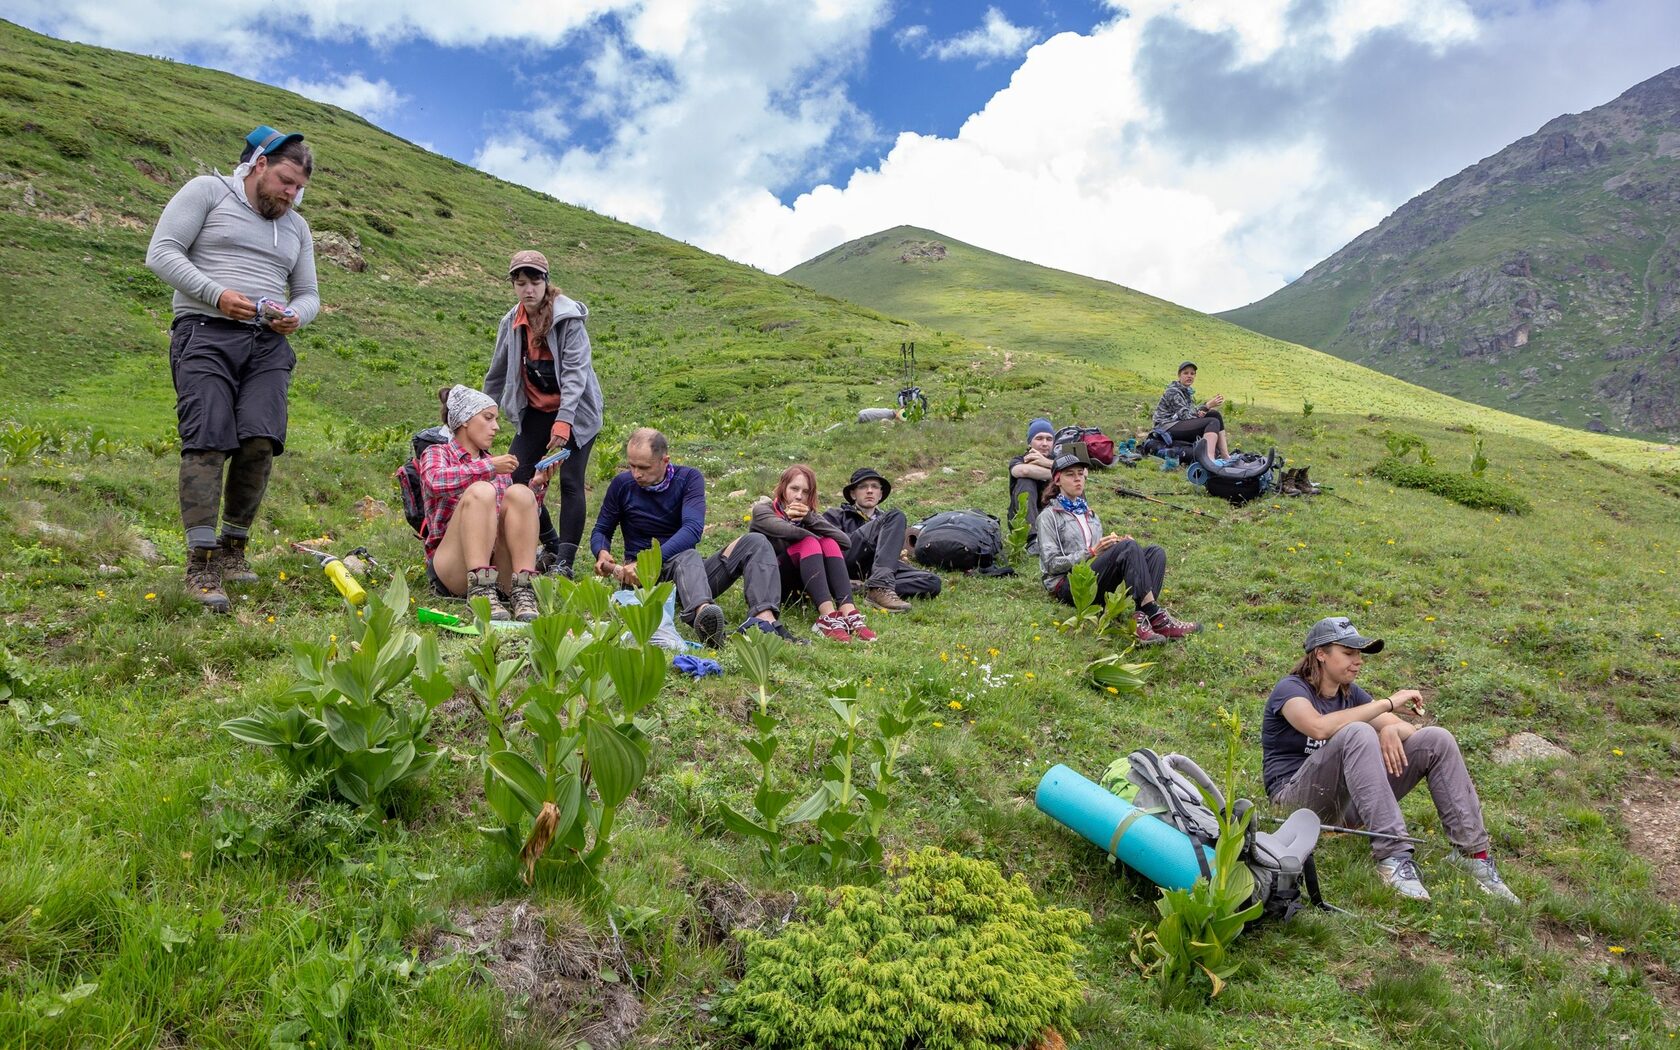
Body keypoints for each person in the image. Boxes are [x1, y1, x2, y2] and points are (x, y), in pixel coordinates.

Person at [145, 124, 320, 612]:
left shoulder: (297, 228)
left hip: (267, 342)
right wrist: (216, 294)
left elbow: (308, 294)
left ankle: (233, 549)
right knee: (206, 440)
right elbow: (161, 253)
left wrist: (295, 317)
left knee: (260, 440)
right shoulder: (207, 191)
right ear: (259, 164)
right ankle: (199, 562)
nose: (291, 193)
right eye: (286, 181)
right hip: (204, 331)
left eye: (299, 188)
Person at [1260, 617, 1520, 904]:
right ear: (1321, 653)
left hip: (1347, 807)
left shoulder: (1351, 695)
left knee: (1436, 739)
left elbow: (1407, 729)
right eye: (1348, 653)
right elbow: (1318, 727)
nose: (1357, 661)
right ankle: (1393, 857)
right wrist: (1386, 704)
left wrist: (1391, 728)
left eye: (1359, 654)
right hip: (1295, 804)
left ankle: (1474, 856)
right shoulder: (1291, 690)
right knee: (1358, 732)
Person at [591, 429, 799, 647]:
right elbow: (601, 529)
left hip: (688, 576)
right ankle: (703, 617)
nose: (636, 474)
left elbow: (692, 530)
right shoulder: (622, 485)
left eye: (643, 467)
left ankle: (763, 621)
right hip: (642, 582)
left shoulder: (688, 479)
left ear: (665, 460)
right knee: (688, 556)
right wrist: (601, 550)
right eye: (631, 465)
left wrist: (650, 560)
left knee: (755, 542)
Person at [484, 249, 603, 579]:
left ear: (545, 281)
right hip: (535, 411)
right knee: (513, 477)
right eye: (520, 283)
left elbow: (577, 372)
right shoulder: (510, 324)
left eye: (534, 280)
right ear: (513, 286)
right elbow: (496, 373)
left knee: (569, 481)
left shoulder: (569, 320)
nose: (528, 289)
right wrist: (481, 417)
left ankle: (565, 561)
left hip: (577, 413)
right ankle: (549, 543)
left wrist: (564, 420)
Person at [1035, 452, 1199, 644]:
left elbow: (1101, 556)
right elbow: (1051, 564)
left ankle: (1142, 616)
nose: (1078, 478)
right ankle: (1155, 616)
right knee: (1128, 547)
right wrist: (1094, 551)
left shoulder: (1090, 514)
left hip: (1092, 576)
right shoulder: (1048, 516)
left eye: (1081, 473)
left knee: (1155, 552)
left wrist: (1116, 545)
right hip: (1068, 585)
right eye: (1070, 474)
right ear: (1057, 480)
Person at [415, 386, 549, 622]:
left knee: (520, 494)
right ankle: (480, 593)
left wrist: (536, 488)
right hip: (453, 568)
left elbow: (514, 526)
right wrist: (488, 469)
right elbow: (434, 481)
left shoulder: (496, 464)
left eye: (496, 420)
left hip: (497, 566)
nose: (496, 427)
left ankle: (523, 590)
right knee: (481, 490)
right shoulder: (438, 452)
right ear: (465, 420)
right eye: (488, 418)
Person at [751, 466, 876, 643]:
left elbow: (845, 542)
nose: (799, 496)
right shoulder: (764, 511)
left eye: (806, 492)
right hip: (774, 582)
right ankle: (826, 616)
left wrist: (810, 518)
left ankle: (849, 612)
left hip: (803, 583)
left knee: (829, 542)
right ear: (783, 488)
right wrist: (812, 531)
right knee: (810, 542)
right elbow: (790, 532)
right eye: (794, 489)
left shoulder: (809, 516)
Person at [821, 467, 941, 611]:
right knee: (896, 515)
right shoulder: (836, 515)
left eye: (875, 487)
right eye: (863, 487)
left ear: (880, 494)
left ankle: (864, 587)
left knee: (932, 581)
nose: (870, 491)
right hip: (846, 558)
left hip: (874, 569)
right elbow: (827, 546)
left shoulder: (887, 521)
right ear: (853, 494)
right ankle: (879, 585)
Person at [1152, 362, 1230, 461]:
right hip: (1165, 427)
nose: (1189, 376)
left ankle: (1225, 455)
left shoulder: (1187, 392)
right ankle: (1208, 459)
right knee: (1212, 421)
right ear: (1179, 375)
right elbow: (1185, 416)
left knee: (1214, 414)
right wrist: (1207, 405)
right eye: (1186, 373)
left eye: (1192, 374)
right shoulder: (1173, 392)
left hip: (1178, 423)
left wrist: (1203, 411)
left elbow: (1190, 413)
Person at [1008, 418, 1056, 551]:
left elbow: (1083, 472)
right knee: (1026, 480)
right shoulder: (1019, 460)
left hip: (1053, 516)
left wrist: (1045, 462)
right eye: (1039, 438)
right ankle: (1032, 539)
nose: (1045, 443)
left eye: (1049, 439)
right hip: (1024, 520)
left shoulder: (1058, 460)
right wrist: (1061, 473)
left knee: (1074, 480)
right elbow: (1023, 470)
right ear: (1030, 442)